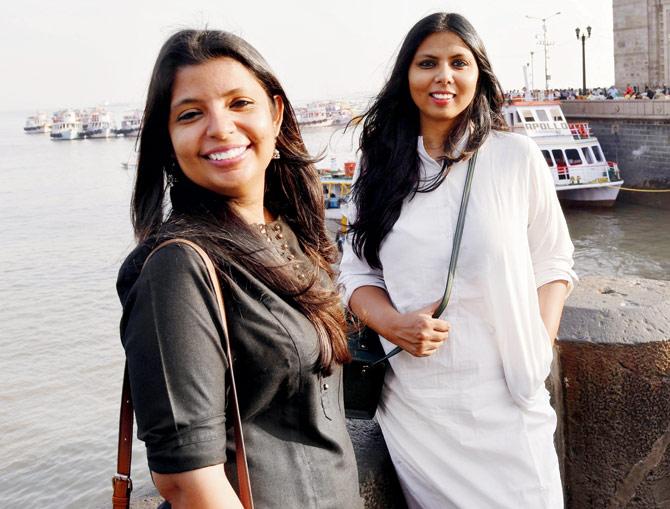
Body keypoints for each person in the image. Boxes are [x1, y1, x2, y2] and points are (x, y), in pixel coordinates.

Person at [339, 13, 576, 509]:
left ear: (479, 75)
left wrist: (538, 342)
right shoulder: (378, 167)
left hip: (511, 403)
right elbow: (357, 272)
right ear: (407, 76)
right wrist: (394, 324)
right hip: (420, 409)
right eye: (427, 63)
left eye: (458, 62)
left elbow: (553, 259)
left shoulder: (517, 157)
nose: (443, 76)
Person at [117, 30, 362, 509]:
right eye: (191, 114)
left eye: (239, 103)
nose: (221, 127)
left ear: (275, 114)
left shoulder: (289, 231)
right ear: (168, 142)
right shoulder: (177, 267)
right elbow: (188, 481)